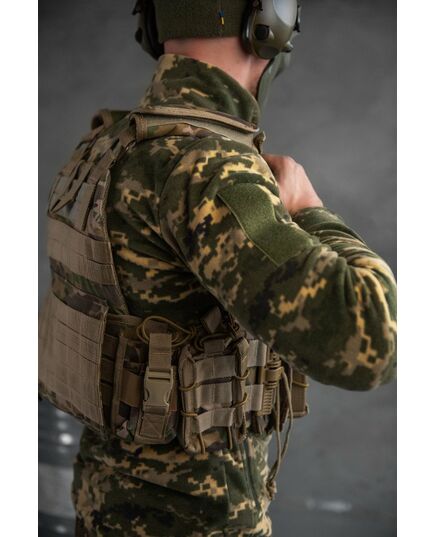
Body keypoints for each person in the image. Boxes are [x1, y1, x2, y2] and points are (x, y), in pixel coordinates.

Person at [39, 1, 397, 535]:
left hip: (103, 508)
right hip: (199, 522)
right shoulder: (209, 168)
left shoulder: (105, 146)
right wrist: (309, 211)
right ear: (269, 21)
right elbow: (372, 342)